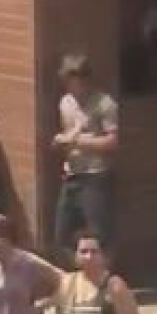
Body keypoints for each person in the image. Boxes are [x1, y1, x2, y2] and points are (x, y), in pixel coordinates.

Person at [53, 55, 119, 255]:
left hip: (95, 176)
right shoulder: (66, 103)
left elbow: (112, 142)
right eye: (68, 82)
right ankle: (76, 278)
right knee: (63, 235)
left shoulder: (104, 104)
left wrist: (78, 141)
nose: (72, 88)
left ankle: (103, 278)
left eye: (76, 82)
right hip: (72, 175)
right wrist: (61, 143)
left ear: (86, 80)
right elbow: (68, 134)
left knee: (99, 235)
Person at [55, 231, 140, 314]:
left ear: (104, 256)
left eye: (94, 252)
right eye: (83, 252)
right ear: (75, 256)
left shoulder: (114, 286)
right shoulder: (67, 283)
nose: (89, 257)